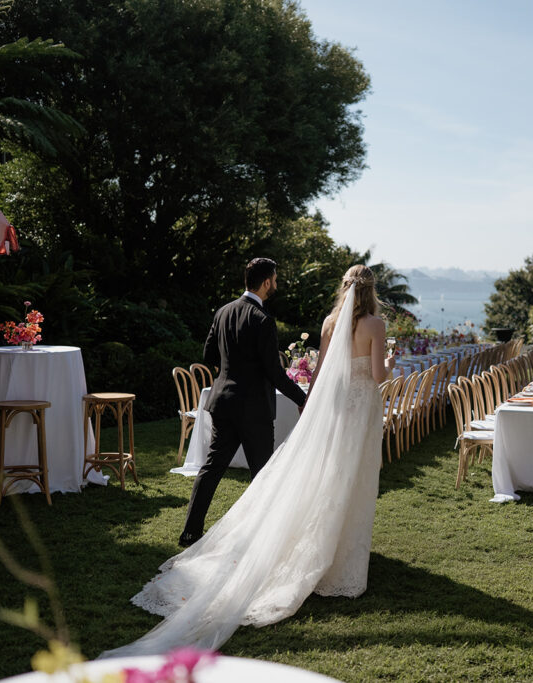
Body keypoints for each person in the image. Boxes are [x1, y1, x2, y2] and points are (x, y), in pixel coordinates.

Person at [99, 265, 395, 657]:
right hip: (311, 409)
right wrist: (385, 364)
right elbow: (367, 375)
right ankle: (316, 548)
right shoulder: (360, 324)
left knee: (221, 468)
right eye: (275, 279)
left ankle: (196, 531)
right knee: (313, 477)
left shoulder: (299, 319)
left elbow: (216, 356)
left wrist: (295, 395)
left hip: (240, 400)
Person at [178, 258, 308, 549]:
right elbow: (275, 373)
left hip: (224, 403)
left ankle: (190, 532)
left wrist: (233, 367)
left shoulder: (223, 311)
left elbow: (209, 356)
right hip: (254, 410)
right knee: (262, 474)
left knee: (212, 468)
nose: (276, 284)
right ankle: (261, 539)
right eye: (275, 280)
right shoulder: (263, 319)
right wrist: (303, 400)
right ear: (266, 282)